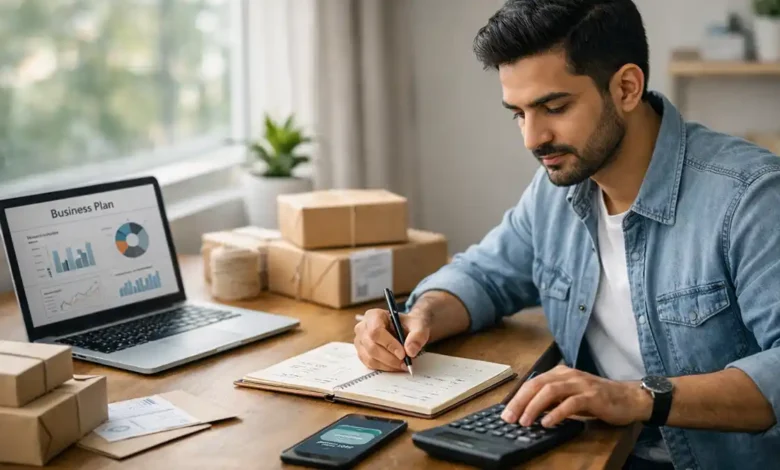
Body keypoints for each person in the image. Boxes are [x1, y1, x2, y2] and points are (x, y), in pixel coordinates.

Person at [353, 0, 780, 469]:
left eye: (553, 107)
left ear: (626, 87)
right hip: (597, 453)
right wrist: (419, 317)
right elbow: (485, 274)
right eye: (517, 113)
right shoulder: (558, 188)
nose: (531, 139)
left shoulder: (750, 197)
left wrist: (636, 398)